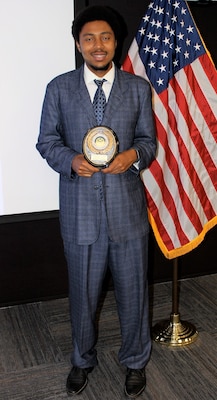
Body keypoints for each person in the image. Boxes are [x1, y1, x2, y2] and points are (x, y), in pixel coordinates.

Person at [36, 5, 156, 398]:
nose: (98, 45)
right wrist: (70, 160)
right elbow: (46, 141)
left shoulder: (138, 89)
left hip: (127, 213)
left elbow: (148, 142)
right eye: (89, 38)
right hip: (80, 213)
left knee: (134, 292)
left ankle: (135, 360)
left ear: (115, 41)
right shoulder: (58, 88)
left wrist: (133, 157)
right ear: (78, 44)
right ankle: (81, 358)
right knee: (82, 294)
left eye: (105, 37)